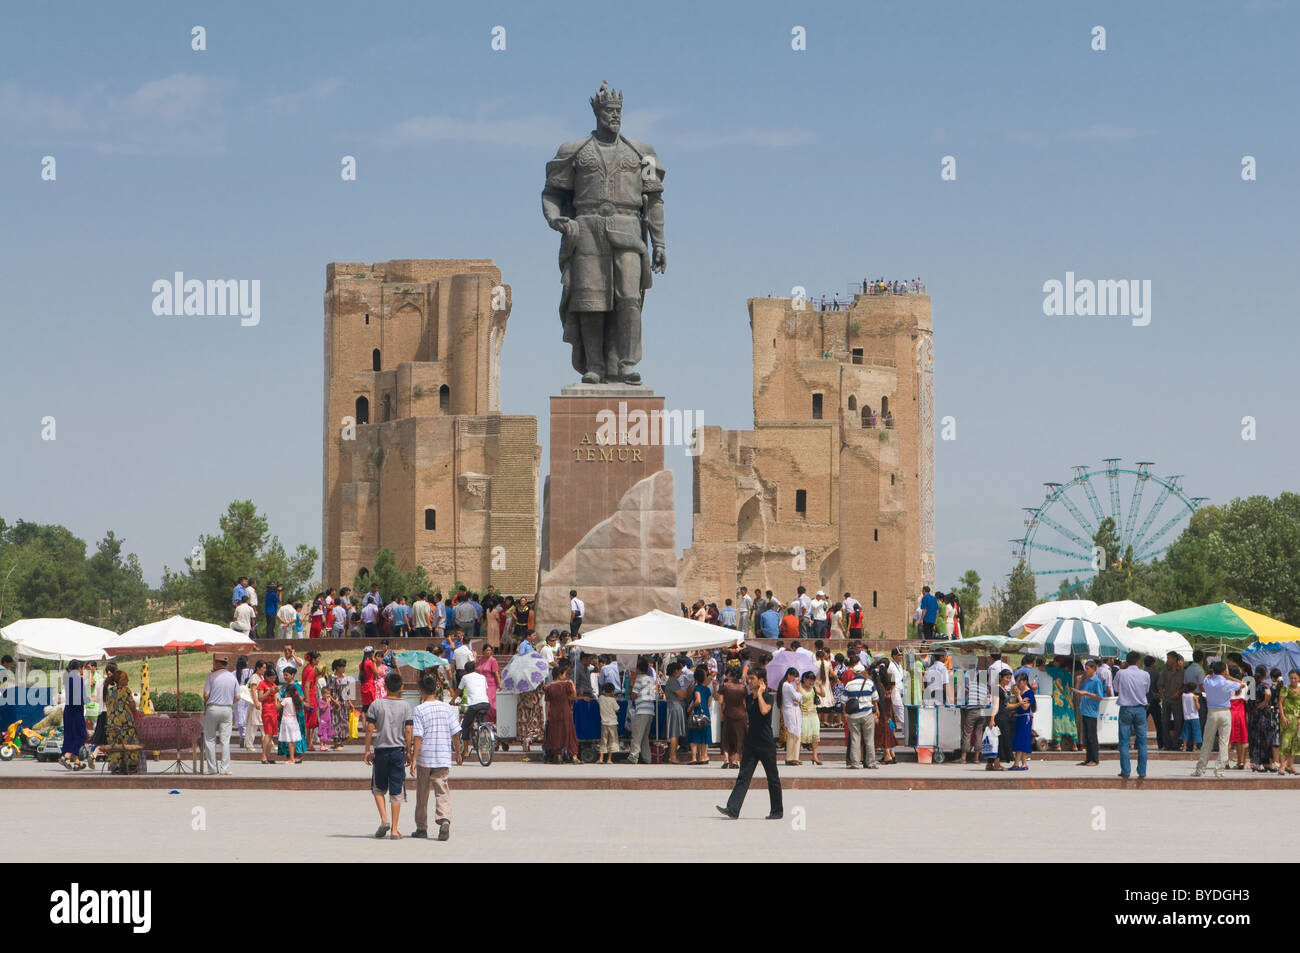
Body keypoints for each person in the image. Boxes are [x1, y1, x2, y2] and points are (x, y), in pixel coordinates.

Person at [717, 668, 783, 819]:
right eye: (748, 678)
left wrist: (759, 694)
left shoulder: (768, 696)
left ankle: (777, 811)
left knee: (772, 778)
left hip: (766, 744)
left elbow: (765, 711)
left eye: (752, 678)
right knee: (743, 776)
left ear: (761, 680)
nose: (749, 681)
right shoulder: (747, 698)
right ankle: (733, 808)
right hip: (751, 743)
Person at [409, 674, 461, 841]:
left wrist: (414, 758)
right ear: (436, 689)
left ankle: (421, 828)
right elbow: (455, 733)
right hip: (443, 757)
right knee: (442, 791)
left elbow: (418, 736)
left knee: (422, 795)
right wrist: (458, 753)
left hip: (425, 757)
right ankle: (444, 819)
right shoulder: (446, 708)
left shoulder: (419, 709)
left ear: (421, 691)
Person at [365, 671, 413, 839]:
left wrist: (367, 750)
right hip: (398, 751)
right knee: (396, 790)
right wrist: (409, 750)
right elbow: (408, 729)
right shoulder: (406, 706)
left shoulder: (376, 704)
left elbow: (370, 729)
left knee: (378, 788)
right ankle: (394, 829)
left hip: (381, 750)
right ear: (401, 687)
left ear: (384, 686)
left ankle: (384, 819)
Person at [1194, 661, 1243, 778]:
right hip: (1225, 712)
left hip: (1212, 712)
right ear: (1224, 671)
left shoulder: (1208, 681)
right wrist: (1229, 676)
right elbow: (1242, 684)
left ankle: (1200, 769)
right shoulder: (1227, 682)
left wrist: (1214, 675)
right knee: (1224, 741)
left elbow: (1205, 679)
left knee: (1207, 741)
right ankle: (1219, 770)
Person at [1114, 651, 1151, 780]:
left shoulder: (1120, 673)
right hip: (1140, 709)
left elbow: (1116, 689)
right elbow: (1146, 690)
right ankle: (1142, 771)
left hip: (1126, 709)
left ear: (1126, 661)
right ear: (1138, 661)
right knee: (1142, 742)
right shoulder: (1145, 674)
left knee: (1124, 741)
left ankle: (1126, 770)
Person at [202, 655, 238, 775]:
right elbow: (237, 696)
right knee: (225, 740)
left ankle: (212, 768)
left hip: (213, 708)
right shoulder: (232, 678)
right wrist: (227, 701)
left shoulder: (211, 676)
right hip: (227, 709)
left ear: (217, 663)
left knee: (210, 739)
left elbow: (206, 695)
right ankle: (225, 768)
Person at [841, 663, 879, 769]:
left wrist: (845, 713)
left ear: (854, 673)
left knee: (855, 739)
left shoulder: (849, 685)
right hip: (867, 714)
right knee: (869, 739)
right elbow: (876, 698)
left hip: (853, 716)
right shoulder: (869, 683)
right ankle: (871, 762)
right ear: (863, 672)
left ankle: (855, 763)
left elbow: (843, 701)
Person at [104, 670, 140, 774]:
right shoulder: (126, 690)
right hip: (126, 723)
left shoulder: (110, 691)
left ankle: (115, 766)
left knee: (114, 744)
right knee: (131, 743)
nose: (128, 680)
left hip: (112, 723)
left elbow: (108, 705)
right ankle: (131, 765)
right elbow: (132, 707)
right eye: (126, 678)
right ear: (121, 680)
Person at [543, 661, 579, 764]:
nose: (565, 676)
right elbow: (573, 698)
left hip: (554, 713)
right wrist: (573, 685)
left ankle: (558, 756)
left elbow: (547, 704)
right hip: (566, 711)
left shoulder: (548, 687)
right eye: (564, 674)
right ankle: (574, 756)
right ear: (560, 675)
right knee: (570, 733)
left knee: (556, 734)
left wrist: (547, 717)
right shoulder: (566, 685)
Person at [1072, 659, 1105, 767]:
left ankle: (1095, 759)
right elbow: (1078, 693)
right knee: (1087, 737)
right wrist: (1078, 682)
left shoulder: (1096, 681)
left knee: (1092, 737)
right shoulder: (1086, 681)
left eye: (1088, 668)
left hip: (1092, 712)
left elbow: (1099, 697)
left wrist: (1087, 693)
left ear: (1093, 669)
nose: (1086, 671)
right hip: (1084, 710)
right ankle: (1088, 758)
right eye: (1085, 668)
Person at [626, 659, 657, 764]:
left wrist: (630, 692)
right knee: (644, 736)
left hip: (642, 709)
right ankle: (647, 758)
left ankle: (633, 757)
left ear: (638, 669)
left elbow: (634, 695)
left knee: (637, 734)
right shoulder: (651, 679)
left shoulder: (639, 679)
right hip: (650, 709)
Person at [59, 661, 88, 770]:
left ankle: (77, 762)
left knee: (70, 736)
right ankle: (66, 756)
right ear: (80, 668)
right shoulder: (78, 679)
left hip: (68, 710)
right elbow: (81, 697)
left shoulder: (67, 679)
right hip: (76, 711)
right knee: (81, 735)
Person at [718, 665, 748, 770]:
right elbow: (744, 703)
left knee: (726, 737)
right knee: (739, 738)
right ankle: (735, 760)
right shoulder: (743, 687)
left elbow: (720, 702)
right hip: (741, 715)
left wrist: (721, 714)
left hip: (728, 714)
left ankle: (726, 759)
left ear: (730, 674)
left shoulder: (725, 686)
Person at [1045, 656, 1077, 752]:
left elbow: (1041, 668)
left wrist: (1052, 664)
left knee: (1058, 720)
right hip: (1068, 701)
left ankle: (1058, 745)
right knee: (1071, 721)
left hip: (1058, 700)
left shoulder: (1054, 671)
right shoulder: (1069, 675)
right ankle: (1074, 745)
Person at [277, 668, 304, 765]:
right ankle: (290, 755)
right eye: (284, 675)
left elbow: (301, 698)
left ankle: (296, 755)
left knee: (293, 737)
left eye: (286, 675)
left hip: (293, 716)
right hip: (289, 715)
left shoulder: (296, 686)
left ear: (292, 675)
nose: (285, 677)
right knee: (291, 737)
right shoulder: (286, 686)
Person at [989, 669, 1015, 770]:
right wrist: (992, 719)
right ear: (1001, 677)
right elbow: (995, 705)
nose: (1008, 680)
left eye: (1009, 678)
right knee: (998, 740)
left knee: (999, 739)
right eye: (1006, 677)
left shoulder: (1005, 690)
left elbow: (1007, 705)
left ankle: (990, 764)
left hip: (1005, 716)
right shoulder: (997, 688)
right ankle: (996, 764)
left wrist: (1019, 704)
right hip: (999, 717)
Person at [688, 666, 713, 765]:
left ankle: (694, 758)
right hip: (706, 713)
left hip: (698, 713)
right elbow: (709, 703)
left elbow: (698, 700)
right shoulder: (707, 689)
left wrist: (691, 707)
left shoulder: (696, 688)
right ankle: (703, 756)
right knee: (704, 735)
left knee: (694, 735)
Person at [1009, 672, 1034, 771]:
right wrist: (1016, 695)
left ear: (1025, 682)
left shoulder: (1029, 692)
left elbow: (1025, 706)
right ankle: (1024, 763)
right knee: (1020, 739)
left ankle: (1016, 763)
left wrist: (1018, 695)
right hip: (1018, 717)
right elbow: (1014, 704)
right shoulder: (1020, 692)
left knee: (1021, 739)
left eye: (1020, 681)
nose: (1018, 684)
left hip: (1025, 718)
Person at [664, 662, 687, 764]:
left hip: (675, 707)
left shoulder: (673, 681)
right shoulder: (672, 681)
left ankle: (673, 755)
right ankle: (672, 756)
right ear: (675, 671)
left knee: (675, 733)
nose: (681, 672)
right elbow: (682, 695)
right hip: (675, 708)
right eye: (679, 670)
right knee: (674, 733)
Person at [779, 668, 803, 766]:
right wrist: (798, 686)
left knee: (793, 734)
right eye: (794, 676)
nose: (794, 679)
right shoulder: (787, 685)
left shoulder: (784, 685)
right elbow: (798, 696)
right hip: (792, 712)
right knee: (794, 734)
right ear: (789, 675)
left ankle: (793, 757)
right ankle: (792, 758)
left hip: (791, 711)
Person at [256, 665, 280, 764]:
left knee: (271, 735)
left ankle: (267, 755)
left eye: (274, 678)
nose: (273, 679)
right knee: (268, 733)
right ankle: (263, 756)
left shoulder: (273, 684)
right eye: (271, 678)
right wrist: (269, 691)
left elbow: (276, 698)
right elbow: (260, 698)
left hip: (274, 710)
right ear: (267, 677)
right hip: (267, 710)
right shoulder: (262, 684)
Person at [1278, 669, 1300, 775]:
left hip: (1297, 719)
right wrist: (1282, 716)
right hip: (1287, 718)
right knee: (1285, 742)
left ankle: (1291, 765)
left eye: (1295, 678)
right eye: (1291, 678)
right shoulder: (1286, 688)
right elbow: (1280, 703)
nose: (1293, 680)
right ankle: (1282, 765)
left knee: (1294, 743)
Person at [597, 683, 621, 764]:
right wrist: (614, 699)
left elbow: (600, 696)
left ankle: (601, 759)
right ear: (612, 692)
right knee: (612, 741)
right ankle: (609, 759)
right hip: (613, 723)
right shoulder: (612, 700)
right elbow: (617, 709)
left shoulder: (601, 698)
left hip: (604, 723)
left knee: (603, 741)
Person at [1180, 682, 1203, 752]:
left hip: (1186, 716)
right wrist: (1197, 701)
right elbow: (1197, 707)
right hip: (1194, 716)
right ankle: (1195, 747)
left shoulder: (1183, 695)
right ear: (1194, 689)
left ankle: (1184, 746)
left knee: (1186, 731)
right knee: (1196, 732)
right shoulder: (1194, 696)